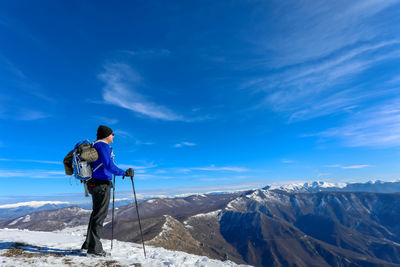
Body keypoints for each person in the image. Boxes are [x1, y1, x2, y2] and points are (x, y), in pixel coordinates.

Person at [81, 125, 134, 256]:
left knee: (95, 214)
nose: (113, 136)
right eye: (112, 134)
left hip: (93, 183)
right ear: (106, 135)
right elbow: (109, 166)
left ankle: (88, 245)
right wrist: (124, 173)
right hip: (101, 185)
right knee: (99, 216)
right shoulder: (102, 146)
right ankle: (95, 250)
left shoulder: (95, 145)